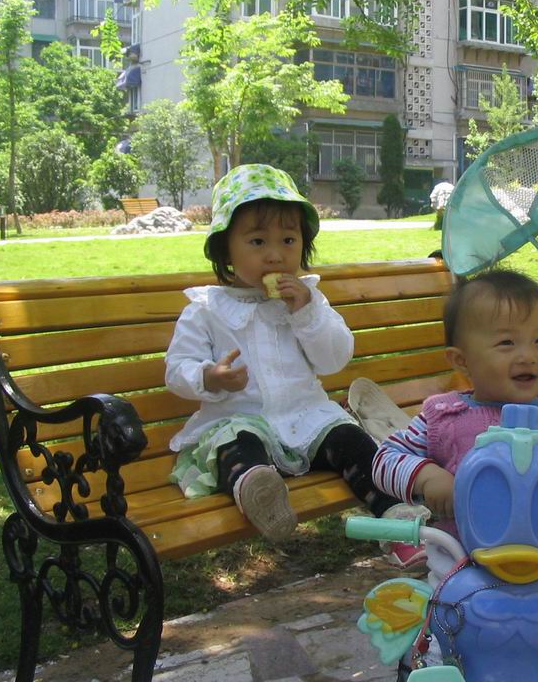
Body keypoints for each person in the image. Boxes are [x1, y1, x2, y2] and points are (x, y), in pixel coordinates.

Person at [165, 163, 397, 543]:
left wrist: (307, 314)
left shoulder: (308, 301)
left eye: (288, 240)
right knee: (235, 447)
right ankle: (259, 492)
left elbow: (334, 359)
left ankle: (395, 513)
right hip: (241, 420)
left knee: (351, 440)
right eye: (258, 242)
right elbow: (177, 368)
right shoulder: (206, 310)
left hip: (306, 419)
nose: (275, 255)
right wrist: (209, 376)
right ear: (225, 250)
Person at [373, 268, 538, 585]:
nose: (529, 356)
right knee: (443, 611)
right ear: (461, 360)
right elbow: (385, 458)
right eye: (507, 343)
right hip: (465, 567)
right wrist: (428, 477)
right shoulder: (443, 417)